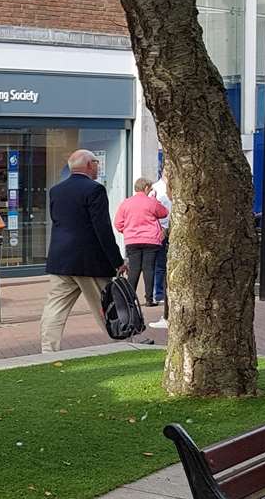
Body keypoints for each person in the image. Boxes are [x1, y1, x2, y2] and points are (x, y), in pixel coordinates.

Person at [40, 149, 126, 352]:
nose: (98, 166)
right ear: (89, 165)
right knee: (105, 306)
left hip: (60, 260)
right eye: (96, 162)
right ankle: (122, 344)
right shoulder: (94, 190)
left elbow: (57, 221)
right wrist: (117, 260)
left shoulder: (56, 190)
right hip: (89, 262)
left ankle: (48, 349)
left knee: (55, 307)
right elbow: (102, 229)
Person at [113, 178, 169, 308]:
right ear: (146, 188)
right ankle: (149, 299)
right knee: (149, 269)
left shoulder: (126, 203)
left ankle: (129, 299)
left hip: (132, 240)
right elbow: (164, 213)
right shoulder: (151, 202)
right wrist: (154, 199)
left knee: (134, 270)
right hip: (151, 241)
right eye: (149, 188)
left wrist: (127, 231)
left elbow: (118, 223)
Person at [150, 167, 171, 315]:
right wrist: (162, 228)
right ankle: (158, 293)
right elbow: (154, 211)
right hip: (162, 230)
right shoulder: (156, 189)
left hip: (172, 228)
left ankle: (161, 292)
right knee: (160, 264)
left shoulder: (172, 188)